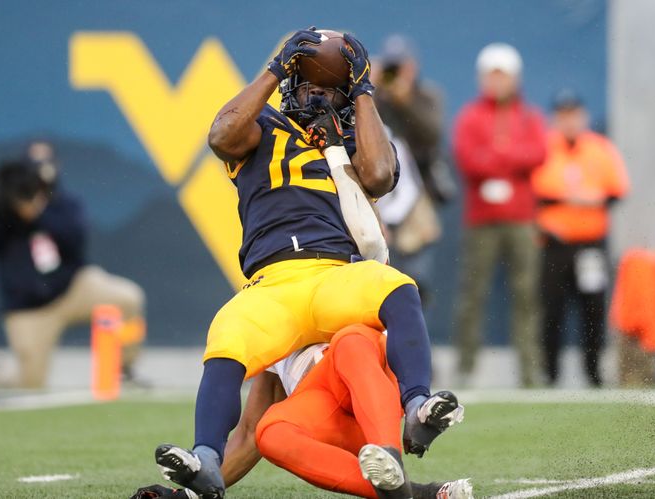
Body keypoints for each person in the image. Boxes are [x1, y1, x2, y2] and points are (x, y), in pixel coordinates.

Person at [152, 28, 458, 499]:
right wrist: (275, 68)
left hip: (331, 274)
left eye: (329, 88)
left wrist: (363, 92)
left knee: (396, 287)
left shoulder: (352, 138)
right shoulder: (263, 125)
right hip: (270, 284)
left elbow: (380, 175)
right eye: (309, 84)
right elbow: (221, 134)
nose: (317, 94)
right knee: (227, 335)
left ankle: (417, 404)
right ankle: (206, 458)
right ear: (292, 83)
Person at [137, 325, 471, 499]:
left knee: (351, 340)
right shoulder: (274, 331)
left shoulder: (352, 283)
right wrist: (191, 492)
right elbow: (251, 433)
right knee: (271, 432)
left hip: (374, 404)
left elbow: (401, 334)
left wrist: (412, 406)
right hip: (329, 418)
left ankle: (402, 437)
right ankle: (412, 492)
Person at [0, 145, 146, 389]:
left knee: (128, 299)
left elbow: (75, 240)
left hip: (74, 287)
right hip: (30, 308)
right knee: (30, 382)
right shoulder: (4, 211)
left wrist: (38, 214)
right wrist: (7, 213)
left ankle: (124, 368)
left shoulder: (64, 203)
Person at [452, 43, 546, 386]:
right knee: (472, 295)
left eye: (502, 77)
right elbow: (467, 158)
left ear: (515, 79)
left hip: (521, 218)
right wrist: (505, 158)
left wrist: (496, 158)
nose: (497, 83)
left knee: (526, 295)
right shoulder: (471, 116)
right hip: (481, 220)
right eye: (491, 77)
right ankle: (465, 368)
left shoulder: (529, 116)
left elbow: (538, 152)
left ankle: (529, 371)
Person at [531, 90, 630, 386]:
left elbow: (616, 191)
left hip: (590, 243)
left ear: (583, 116)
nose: (569, 121)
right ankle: (550, 374)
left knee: (593, 310)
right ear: (554, 119)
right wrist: (572, 199)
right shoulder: (544, 148)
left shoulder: (600, 149)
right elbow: (536, 193)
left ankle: (594, 372)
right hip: (554, 243)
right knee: (552, 311)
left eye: (573, 114)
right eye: (563, 115)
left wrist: (585, 200)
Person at [371, 35, 451, 298]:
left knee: (415, 282)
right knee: (377, 278)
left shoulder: (427, 95)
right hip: (379, 196)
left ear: (413, 66)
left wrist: (405, 100)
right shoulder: (373, 97)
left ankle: (413, 337)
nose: (396, 74)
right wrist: (364, 91)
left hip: (417, 197)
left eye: (400, 67)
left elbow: (432, 134)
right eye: (391, 67)